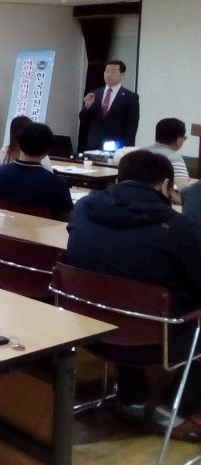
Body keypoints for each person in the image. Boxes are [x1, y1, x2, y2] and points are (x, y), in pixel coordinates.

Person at [66, 150, 201, 440]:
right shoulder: (177, 228)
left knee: (124, 292)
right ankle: (175, 411)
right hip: (153, 341)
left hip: (88, 330)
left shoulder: (84, 208)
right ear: (165, 186)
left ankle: (133, 400)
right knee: (143, 304)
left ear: (119, 178)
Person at [0, 122, 73, 219]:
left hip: (5, 226)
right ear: (47, 151)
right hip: (42, 228)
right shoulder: (57, 183)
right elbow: (66, 218)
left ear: (19, 144)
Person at [79, 59, 140, 151]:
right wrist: (87, 107)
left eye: (113, 72)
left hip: (117, 145)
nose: (109, 75)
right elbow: (83, 119)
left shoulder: (130, 97)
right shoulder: (95, 93)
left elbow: (132, 125)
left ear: (122, 74)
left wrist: (127, 148)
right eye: (107, 71)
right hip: (93, 144)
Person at [146, 118, 192, 195]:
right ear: (179, 140)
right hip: (156, 199)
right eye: (184, 138)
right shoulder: (174, 158)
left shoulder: (140, 152)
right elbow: (184, 190)